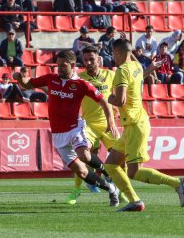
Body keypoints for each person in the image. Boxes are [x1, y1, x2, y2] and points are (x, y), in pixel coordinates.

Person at [14, 50, 120, 207]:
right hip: (58, 135)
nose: (59, 69)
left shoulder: (82, 85)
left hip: (75, 128)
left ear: (72, 65)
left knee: (84, 155)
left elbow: (103, 101)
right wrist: (20, 78)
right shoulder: (51, 79)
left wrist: (111, 121)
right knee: (82, 172)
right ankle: (111, 189)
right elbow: (28, 84)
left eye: (63, 66)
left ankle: (107, 173)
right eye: (57, 65)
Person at [105, 38, 184, 212]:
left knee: (134, 172)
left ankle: (177, 183)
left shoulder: (121, 70)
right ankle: (135, 201)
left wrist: (109, 98)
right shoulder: (135, 67)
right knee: (111, 165)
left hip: (135, 125)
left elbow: (120, 100)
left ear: (119, 53)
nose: (112, 56)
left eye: (113, 52)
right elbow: (139, 74)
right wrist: (150, 67)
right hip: (133, 124)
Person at [67, 46, 119, 204]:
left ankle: (118, 190)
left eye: (92, 59)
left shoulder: (111, 75)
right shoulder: (78, 78)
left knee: (119, 158)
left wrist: (117, 110)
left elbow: (121, 94)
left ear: (99, 60)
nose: (89, 62)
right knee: (81, 156)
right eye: (85, 60)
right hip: (88, 125)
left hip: (108, 124)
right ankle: (76, 190)